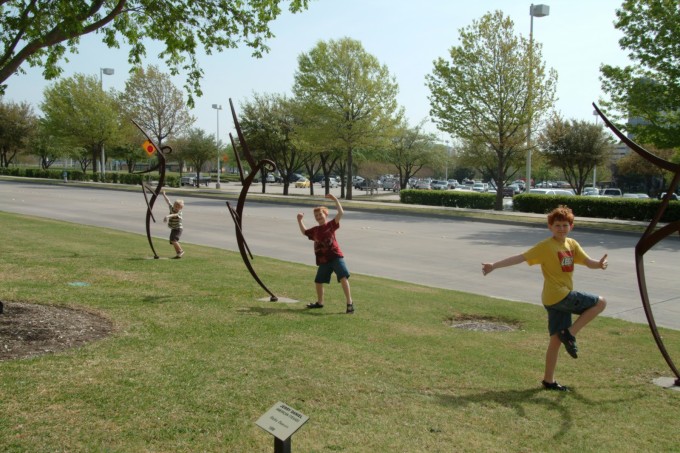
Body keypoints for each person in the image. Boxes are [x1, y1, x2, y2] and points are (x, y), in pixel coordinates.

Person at [481, 205, 608, 391]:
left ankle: (549, 381)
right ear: (550, 227)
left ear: (571, 226)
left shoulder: (572, 244)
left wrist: (599, 264)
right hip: (559, 295)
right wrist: (494, 265)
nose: (561, 228)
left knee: (556, 340)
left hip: (553, 300)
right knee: (601, 302)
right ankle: (571, 333)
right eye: (557, 225)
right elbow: (520, 257)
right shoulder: (545, 246)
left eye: (565, 225)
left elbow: (588, 262)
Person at [297, 193, 354, 314]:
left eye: (320, 214)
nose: (318, 217)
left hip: (335, 256)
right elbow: (304, 232)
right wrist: (299, 220)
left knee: (343, 277)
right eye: (316, 215)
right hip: (324, 260)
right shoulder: (315, 230)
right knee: (318, 281)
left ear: (325, 214)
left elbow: (341, 213)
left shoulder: (331, 225)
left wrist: (335, 199)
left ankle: (350, 303)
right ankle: (320, 302)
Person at [162, 190, 185, 259]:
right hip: (174, 228)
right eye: (175, 206)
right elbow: (168, 201)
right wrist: (164, 194)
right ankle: (178, 253)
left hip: (178, 229)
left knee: (174, 240)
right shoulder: (172, 208)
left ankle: (181, 251)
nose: (176, 207)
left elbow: (174, 215)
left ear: (181, 208)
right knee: (172, 240)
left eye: (178, 207)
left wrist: (167, 216)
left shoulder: (179, 213)